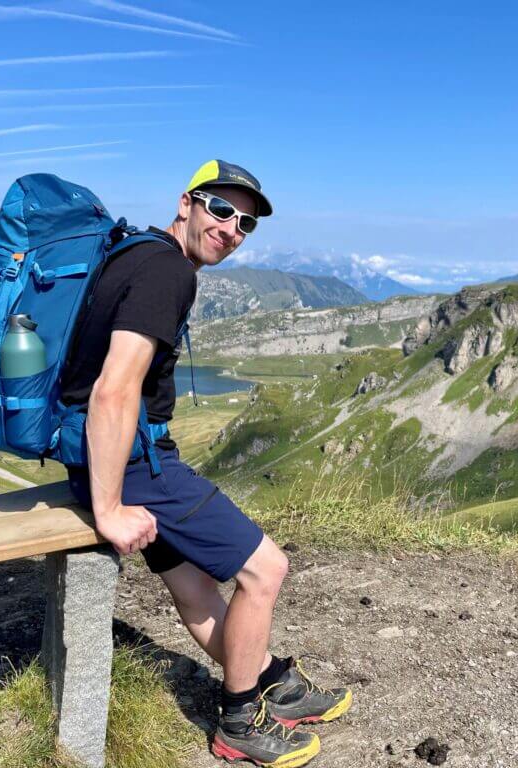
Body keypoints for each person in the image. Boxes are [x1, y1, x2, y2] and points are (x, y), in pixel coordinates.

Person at [61, 159, 350, 767]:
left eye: (245, 223)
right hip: (134, 466)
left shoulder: (139, 252)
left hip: (106, 458)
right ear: (187, 203)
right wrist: (110, 509)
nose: (232, 229)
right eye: (221, 210)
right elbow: (114, 390)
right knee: (266, 570)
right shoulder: (168, 271)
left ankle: (270, 678)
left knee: (194, 588)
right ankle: (241, 719)